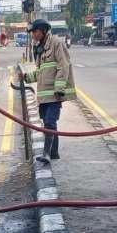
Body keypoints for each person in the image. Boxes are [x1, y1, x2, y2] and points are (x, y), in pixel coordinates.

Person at [23, 18, 75, 164]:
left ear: (44, 31)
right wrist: (26, 77)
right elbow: (42, 72)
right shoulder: (40, 48)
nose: (33, 34)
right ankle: (54, 153)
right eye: (32, 32)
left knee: (50, 123)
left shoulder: (56, 43)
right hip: (44, 95)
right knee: (48, 122)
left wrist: (59, 89)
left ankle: (46, 153)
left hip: (54, 94)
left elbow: (63, 66)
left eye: (35, 31)